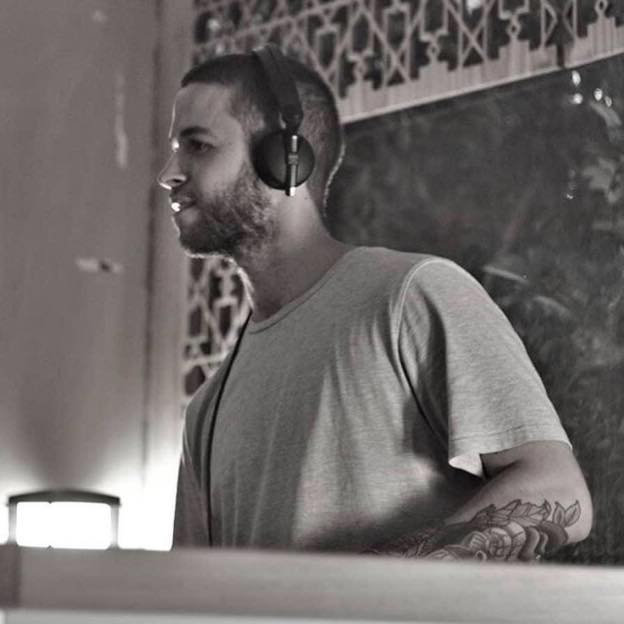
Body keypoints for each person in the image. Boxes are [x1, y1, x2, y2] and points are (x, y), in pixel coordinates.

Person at [158, 46, 592, 561]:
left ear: (285, 160)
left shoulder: (412, 295)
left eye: (198, 145)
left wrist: (365, 583)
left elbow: (558, 491)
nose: (169, 172)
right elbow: (191, 588)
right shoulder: (206, 410)